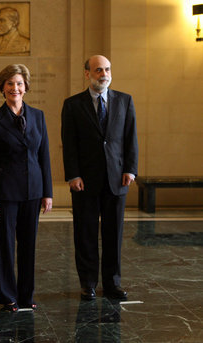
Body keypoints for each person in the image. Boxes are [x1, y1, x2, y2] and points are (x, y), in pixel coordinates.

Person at [61, 55, 138, 301]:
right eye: (97, 70)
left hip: (117, 179)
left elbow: (130, 138)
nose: (103, 74)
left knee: (113, 234)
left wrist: (130, 169)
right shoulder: (72, 104)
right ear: (87, 74)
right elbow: (69, 143)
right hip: (85, 181)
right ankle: (88, 283)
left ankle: (112, 283)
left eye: (106, 69)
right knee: (85, 233)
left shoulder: (125, 101)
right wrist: (73, 174)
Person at [0, 64, 53, 313]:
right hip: (5, 194)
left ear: (26, 87)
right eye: (10, 83)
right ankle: (8, 296)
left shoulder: (38, 116)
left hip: (33, 191)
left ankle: (26, 295)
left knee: (28, 246)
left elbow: (44, 156)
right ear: (2, 87)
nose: (15, 88)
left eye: (19, 83)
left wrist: (48, 192)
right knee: (5, 246)